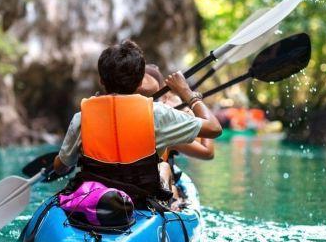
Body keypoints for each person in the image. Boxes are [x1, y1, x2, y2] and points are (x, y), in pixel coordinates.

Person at [53, 40, 221, 207]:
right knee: (163, 166)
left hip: (96, 198)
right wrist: (188, 93)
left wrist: (65, 159)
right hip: (141, 198)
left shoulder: (81, 117)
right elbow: (214, 129)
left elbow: (61, 167)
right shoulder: (159, 113)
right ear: (140, 82)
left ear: (101, 80)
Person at [137, 64, 215, 161]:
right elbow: (208, 152)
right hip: (154, 172)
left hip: (129, 171)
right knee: (166, 168)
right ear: (165, 95)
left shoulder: (125, 111)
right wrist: (196, 102)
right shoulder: (164, 118)